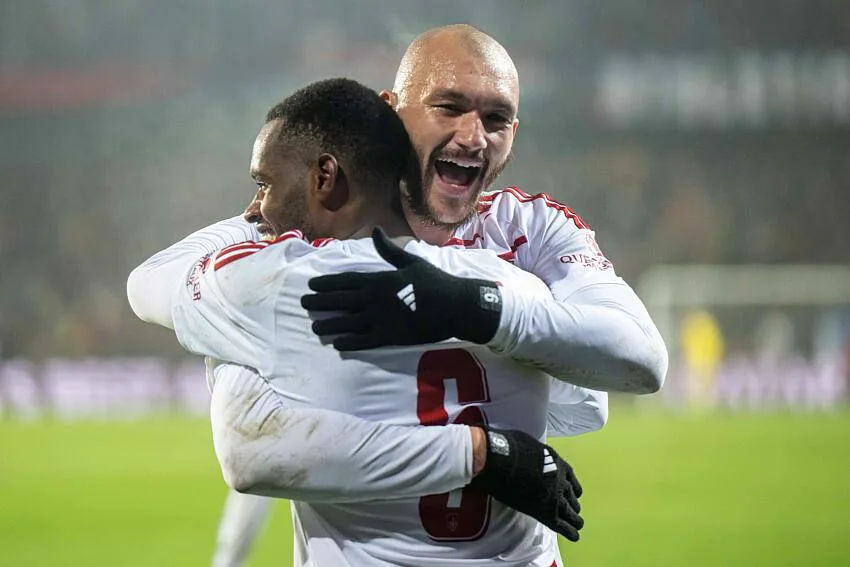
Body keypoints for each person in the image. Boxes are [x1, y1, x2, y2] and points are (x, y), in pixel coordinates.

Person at [209, 23, 668, 567]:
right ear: (391, 112)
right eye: (448, 107)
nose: (474, 137)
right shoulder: (311, 231)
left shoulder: (532, 228)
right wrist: (485, 454)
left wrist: (477, 308)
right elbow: (250, 450)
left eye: (496, 119)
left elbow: (642, 362)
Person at [129, 78, 588, 567]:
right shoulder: (514, 288)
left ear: (325, 176)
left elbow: (147, 283)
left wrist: (249, 226)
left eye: (265, 183)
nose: (260, 203)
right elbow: (587, 405)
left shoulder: (278, 282)